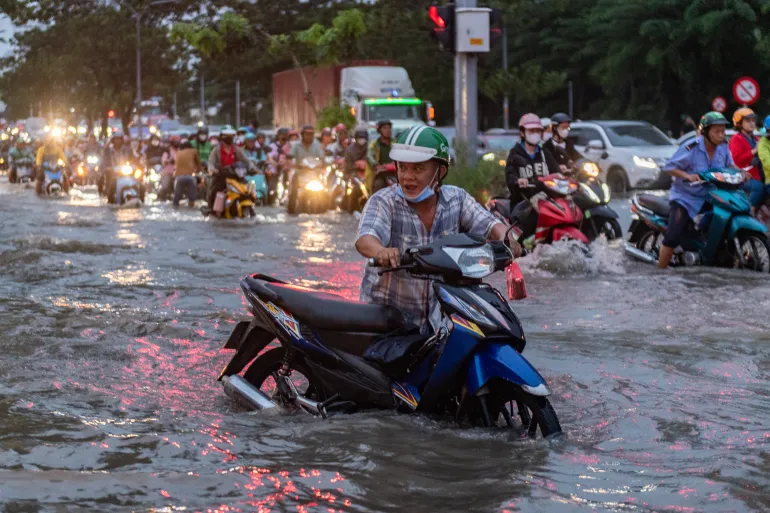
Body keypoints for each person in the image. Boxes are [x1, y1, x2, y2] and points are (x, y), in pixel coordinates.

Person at [355, 126, 521, 333]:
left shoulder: (457, 199)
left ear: (440, 171)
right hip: (389, 323)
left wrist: (507, 237)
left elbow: (488, 223)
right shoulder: (383, 202)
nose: (407, 177)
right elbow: (366, 239)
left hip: (440, 323)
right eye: (402, 168)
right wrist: (381, 252)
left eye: (417, 169)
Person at [657, 111, 735, 268]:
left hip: (710, 195)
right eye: (717, 131)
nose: (721, 135)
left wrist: (742, 173)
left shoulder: (724, 147)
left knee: (724, 219)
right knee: (673, 234)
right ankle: (660, 270)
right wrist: (688, 175)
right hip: (686, 197)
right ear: (705, 132)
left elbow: (731, 166)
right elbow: (670, 167)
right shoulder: (691, 147)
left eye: (723, 131)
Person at [206, 126, 254, 214]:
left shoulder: (237, 149)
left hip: (236, 176)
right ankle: (211, 210)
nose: (229, 138)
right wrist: (212, 169)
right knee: (214, 190)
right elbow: (211, 162)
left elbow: (246, 161)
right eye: (227, 135)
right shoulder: (216, 150)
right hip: (221, 176)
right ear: (221, 137)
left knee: (247, 189)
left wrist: (252, 168)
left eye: (231, 135)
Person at [729, 108, 763, 212]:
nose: (752, 123)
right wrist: (753, 152)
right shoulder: (736, 139)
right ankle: (748, 213)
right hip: (743, 177)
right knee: (759, 187)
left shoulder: (756, 139)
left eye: (753, 120)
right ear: (739, 124)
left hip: (759, 175)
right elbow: (736, 160)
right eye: (748, 121)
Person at [100, 131, 138, 202]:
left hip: (127, 174)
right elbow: (105, 162)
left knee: (140, 184)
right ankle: (110, 201)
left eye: (119, 139)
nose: (118, 141)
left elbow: (134, 160)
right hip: (114, 174)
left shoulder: (128, 150)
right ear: (113, 140)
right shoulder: (108, 151)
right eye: (116, 139)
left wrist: (136, 166)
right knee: (112, 184)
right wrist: (108, 168)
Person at [173, 140, 200, 208]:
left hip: (179, 176)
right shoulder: (194, 151)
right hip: (190, 175)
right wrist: (198, 170)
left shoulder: (178, 153)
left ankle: (175, 203)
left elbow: (176, 164)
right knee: (192, 191)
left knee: (177, 193)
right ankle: (191, 203)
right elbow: (198, 163)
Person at [368, 120, 394, 187]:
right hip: (381, 173)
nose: (388, 130)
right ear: (379, 130)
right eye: (385, 128)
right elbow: (369, 155)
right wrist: (375, 165)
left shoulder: (395, 142)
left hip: (395, 172)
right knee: (378, 185)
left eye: (389, 128)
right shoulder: (374, 144)